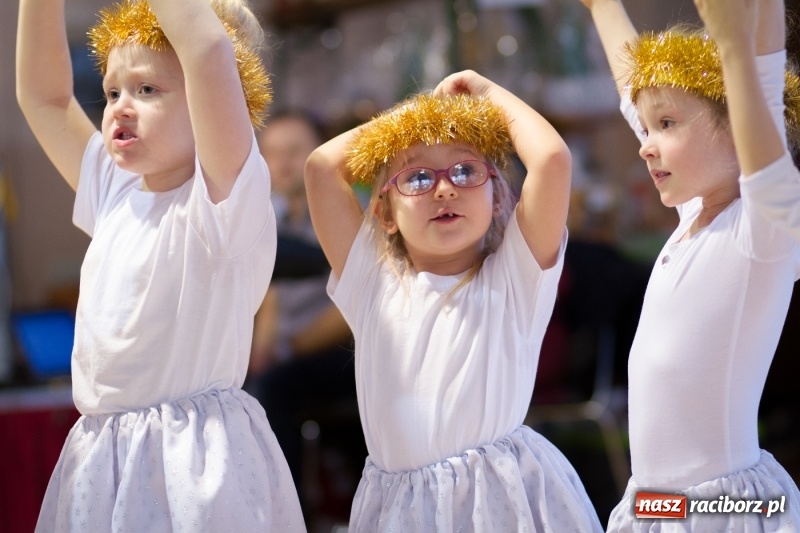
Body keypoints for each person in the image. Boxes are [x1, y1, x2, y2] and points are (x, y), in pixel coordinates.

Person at [16, 0, 305, 530]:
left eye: (147, 90)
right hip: (103, 455)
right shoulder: (116, 191)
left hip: (191, 459)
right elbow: (44, 98)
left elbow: (208, 51)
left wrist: (206, 55)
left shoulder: (222, 201)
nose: (121, 107)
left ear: (213, 99)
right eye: (112, 92)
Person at [305, 71, 604, 531]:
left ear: (498, 197)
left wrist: (485, 94)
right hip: (402, 511)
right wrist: (418, 115)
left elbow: (550, 159)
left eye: (465, 170)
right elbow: (322, 168)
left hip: (500, 503)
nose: (445, 188)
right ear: (384, 213)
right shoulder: (372, 284)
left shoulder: (513, 280)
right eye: (418, 177)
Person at [580, 0, 800, 530]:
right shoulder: (691, 215)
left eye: (667, 124)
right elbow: (634, 94)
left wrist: (736, 46)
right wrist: (604, 6)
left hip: (724, 509)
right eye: (648, 128)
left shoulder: (763, 232)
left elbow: (763, 109)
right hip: (661, 504)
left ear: (737, 129)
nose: (645, 146)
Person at [250, 110, 362, 517]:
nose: (281, 163)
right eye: (272, 154)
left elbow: (359, 308)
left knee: (275, 387)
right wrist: (264, 348)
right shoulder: (278, 218)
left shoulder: (349, 213)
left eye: (294, 151)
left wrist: (288, 349)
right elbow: (273, 296)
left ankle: (290, 515)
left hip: (350, 352)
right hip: (296, 355)